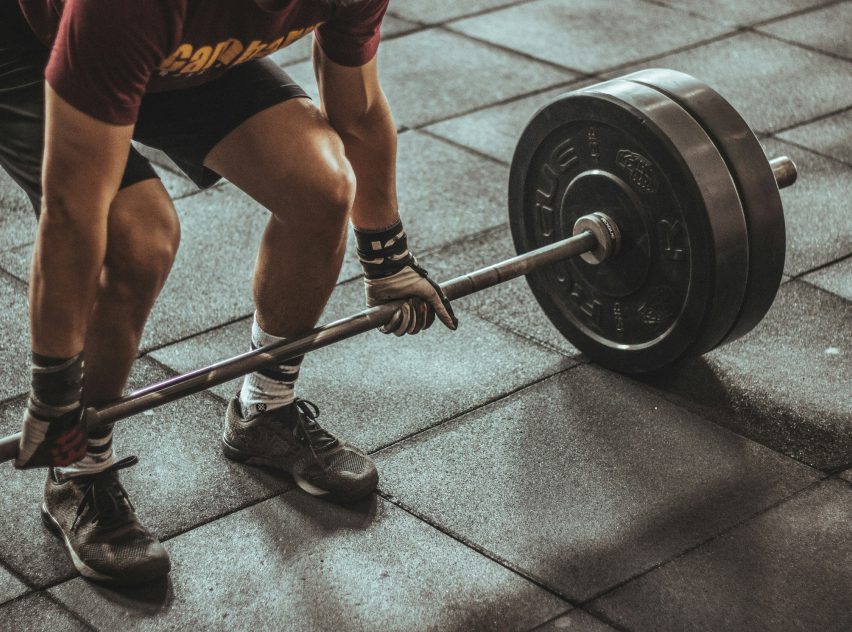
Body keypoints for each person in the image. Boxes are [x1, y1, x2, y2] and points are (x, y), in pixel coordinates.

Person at [0, 0, 457, 586]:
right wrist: (55, 390)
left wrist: (387, 259)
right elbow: (72, 213)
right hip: (36, 45)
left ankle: (264, 411)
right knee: (136, 237)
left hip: (178, 50)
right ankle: (78, 470)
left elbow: (359, 112)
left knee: (322, 186)